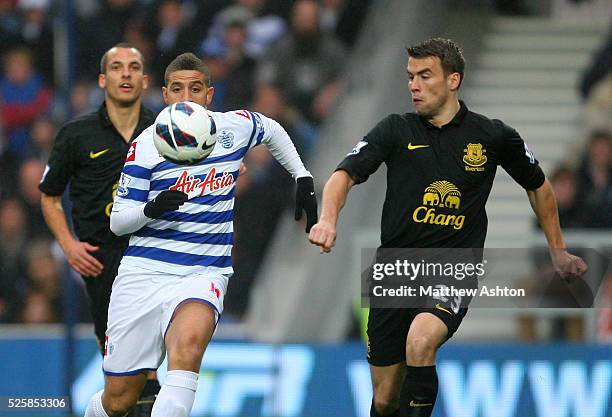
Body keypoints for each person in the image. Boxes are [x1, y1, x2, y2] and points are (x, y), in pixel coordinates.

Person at [308, 38, 587, 417]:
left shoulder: (492, 136)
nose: (414, 86)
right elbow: (343, 175)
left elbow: (538, 186)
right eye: (410, 77)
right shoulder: (394, 130)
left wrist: (558, 249)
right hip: (394, 271)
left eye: (425, 76)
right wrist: (327, 219)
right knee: (386, 395)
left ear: (453, 79)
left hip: (454, 266)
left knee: (421, 341)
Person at [83, 52, 317, 417]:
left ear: (209, 94)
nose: (186, 96)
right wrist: (151, 209)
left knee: (188, 349)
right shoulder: (146, 146)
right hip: (144, 273)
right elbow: (118, 222)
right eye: (178, 89)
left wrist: (301, 174)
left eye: (195, 88)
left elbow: (271, 129)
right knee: (119, 399)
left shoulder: (232, 128)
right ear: (165, 95)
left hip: (203, 272)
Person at [39, 43, 160, 416]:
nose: (127, 73)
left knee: (149, 370)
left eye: (134, 67)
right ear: (102, 80)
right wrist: (69, 246)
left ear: (145, 79)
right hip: (101, 262)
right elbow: (50, 196)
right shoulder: (76, 135)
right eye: (118, 67)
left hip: (154, 257)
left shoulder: (165, 131)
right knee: (121, 377)